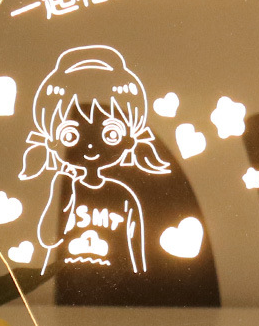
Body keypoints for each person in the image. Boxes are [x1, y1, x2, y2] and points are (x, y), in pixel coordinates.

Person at [19, 45, 169, 274]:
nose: (90, 147)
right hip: (65, 281)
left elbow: (136, 250)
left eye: (111, 134)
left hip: (120, 284)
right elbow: (47, 241)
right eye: (71, 135)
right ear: (53, 139)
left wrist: (140, 278)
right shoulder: (63, 189)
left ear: (129, 140)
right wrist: (58, 194)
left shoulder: (124, 195)